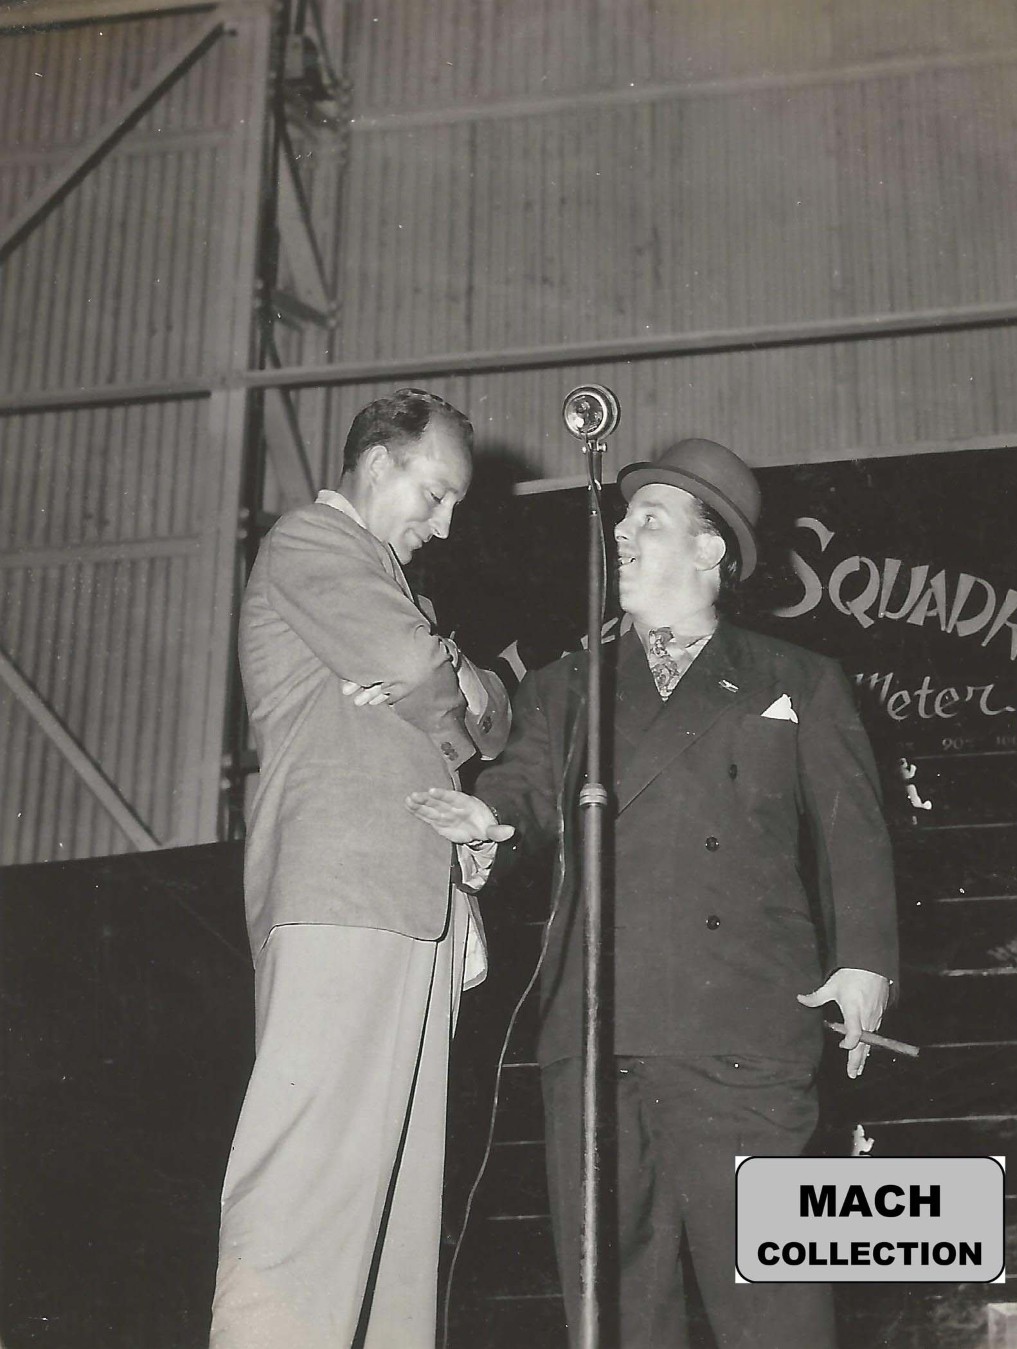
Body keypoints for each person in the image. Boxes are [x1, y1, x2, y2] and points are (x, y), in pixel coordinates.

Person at [406, 438, 898, 1349]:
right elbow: (521, 788)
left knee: (775, 1303)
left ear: (711, 548)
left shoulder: (797, 679)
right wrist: (487, 821)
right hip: (595, 1036)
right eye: (624, 518)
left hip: (744, 1031)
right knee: (616, 1313)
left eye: (651, 519)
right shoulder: (567, 685)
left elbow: (853, 835)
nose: (622, 534)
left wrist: (866, 961)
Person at [209, 389, 510, 1349]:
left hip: (414, 909)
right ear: (377, 463)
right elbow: (425, 676)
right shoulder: (312, 541)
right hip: (343, 898)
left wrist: (443, 670)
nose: (445, 525)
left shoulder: (395, 587)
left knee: (396, 1223)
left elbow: (488, 709)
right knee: (305, 1190)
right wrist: (441, 677)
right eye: (435, 494)